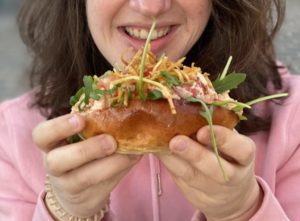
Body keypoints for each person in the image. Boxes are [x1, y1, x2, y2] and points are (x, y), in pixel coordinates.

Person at [0, 0, 299, 220]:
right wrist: (62, 212)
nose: (152, 6)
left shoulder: (293, 119)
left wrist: (243, 210)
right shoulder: (9, 137)